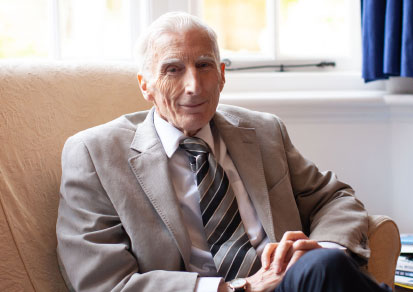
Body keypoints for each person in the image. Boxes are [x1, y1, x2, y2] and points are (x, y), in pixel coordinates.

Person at [56, 11, 391, 292]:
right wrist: (234, 287)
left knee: (324, 264)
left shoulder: (262, 131)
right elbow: (101, 280)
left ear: (221, 75)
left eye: (204, 65)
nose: (194, 86)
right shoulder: (94, 154)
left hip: (291, 284)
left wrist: (322, 248)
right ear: (146, 84)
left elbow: (335, 198)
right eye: (173, 69)